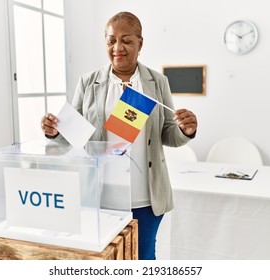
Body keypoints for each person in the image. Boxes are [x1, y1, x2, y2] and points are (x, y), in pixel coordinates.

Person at [41, 11, 198, 260]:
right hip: (102, 194)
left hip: (146, 196)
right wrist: (55, 132)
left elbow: (168, 134)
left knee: (143, 257)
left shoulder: (158, 82)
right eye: (111, 40)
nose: (118, 47)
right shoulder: (87, 82)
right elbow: (75, 134)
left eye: (126, 40)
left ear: (140, 43)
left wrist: (185, 130)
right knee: (105, 259)